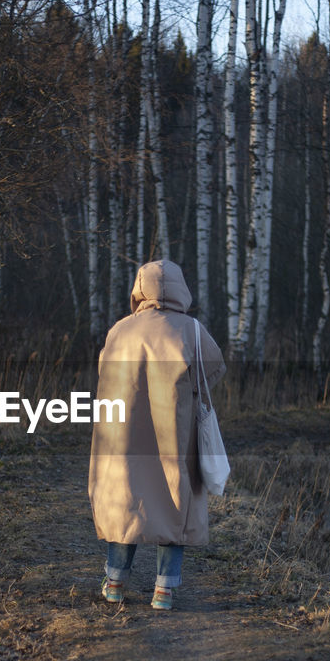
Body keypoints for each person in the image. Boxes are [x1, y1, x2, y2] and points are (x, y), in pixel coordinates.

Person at [88, 260, 226, 610]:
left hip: (124, 434)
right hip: (174, 435)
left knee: (125, 502)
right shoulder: (191, 330)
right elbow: (214, 369)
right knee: (174, 500)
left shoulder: (120, 331)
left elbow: (105, 375)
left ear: (140, 288)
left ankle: (116, 582)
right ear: (181, 288)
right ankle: (164, 590)